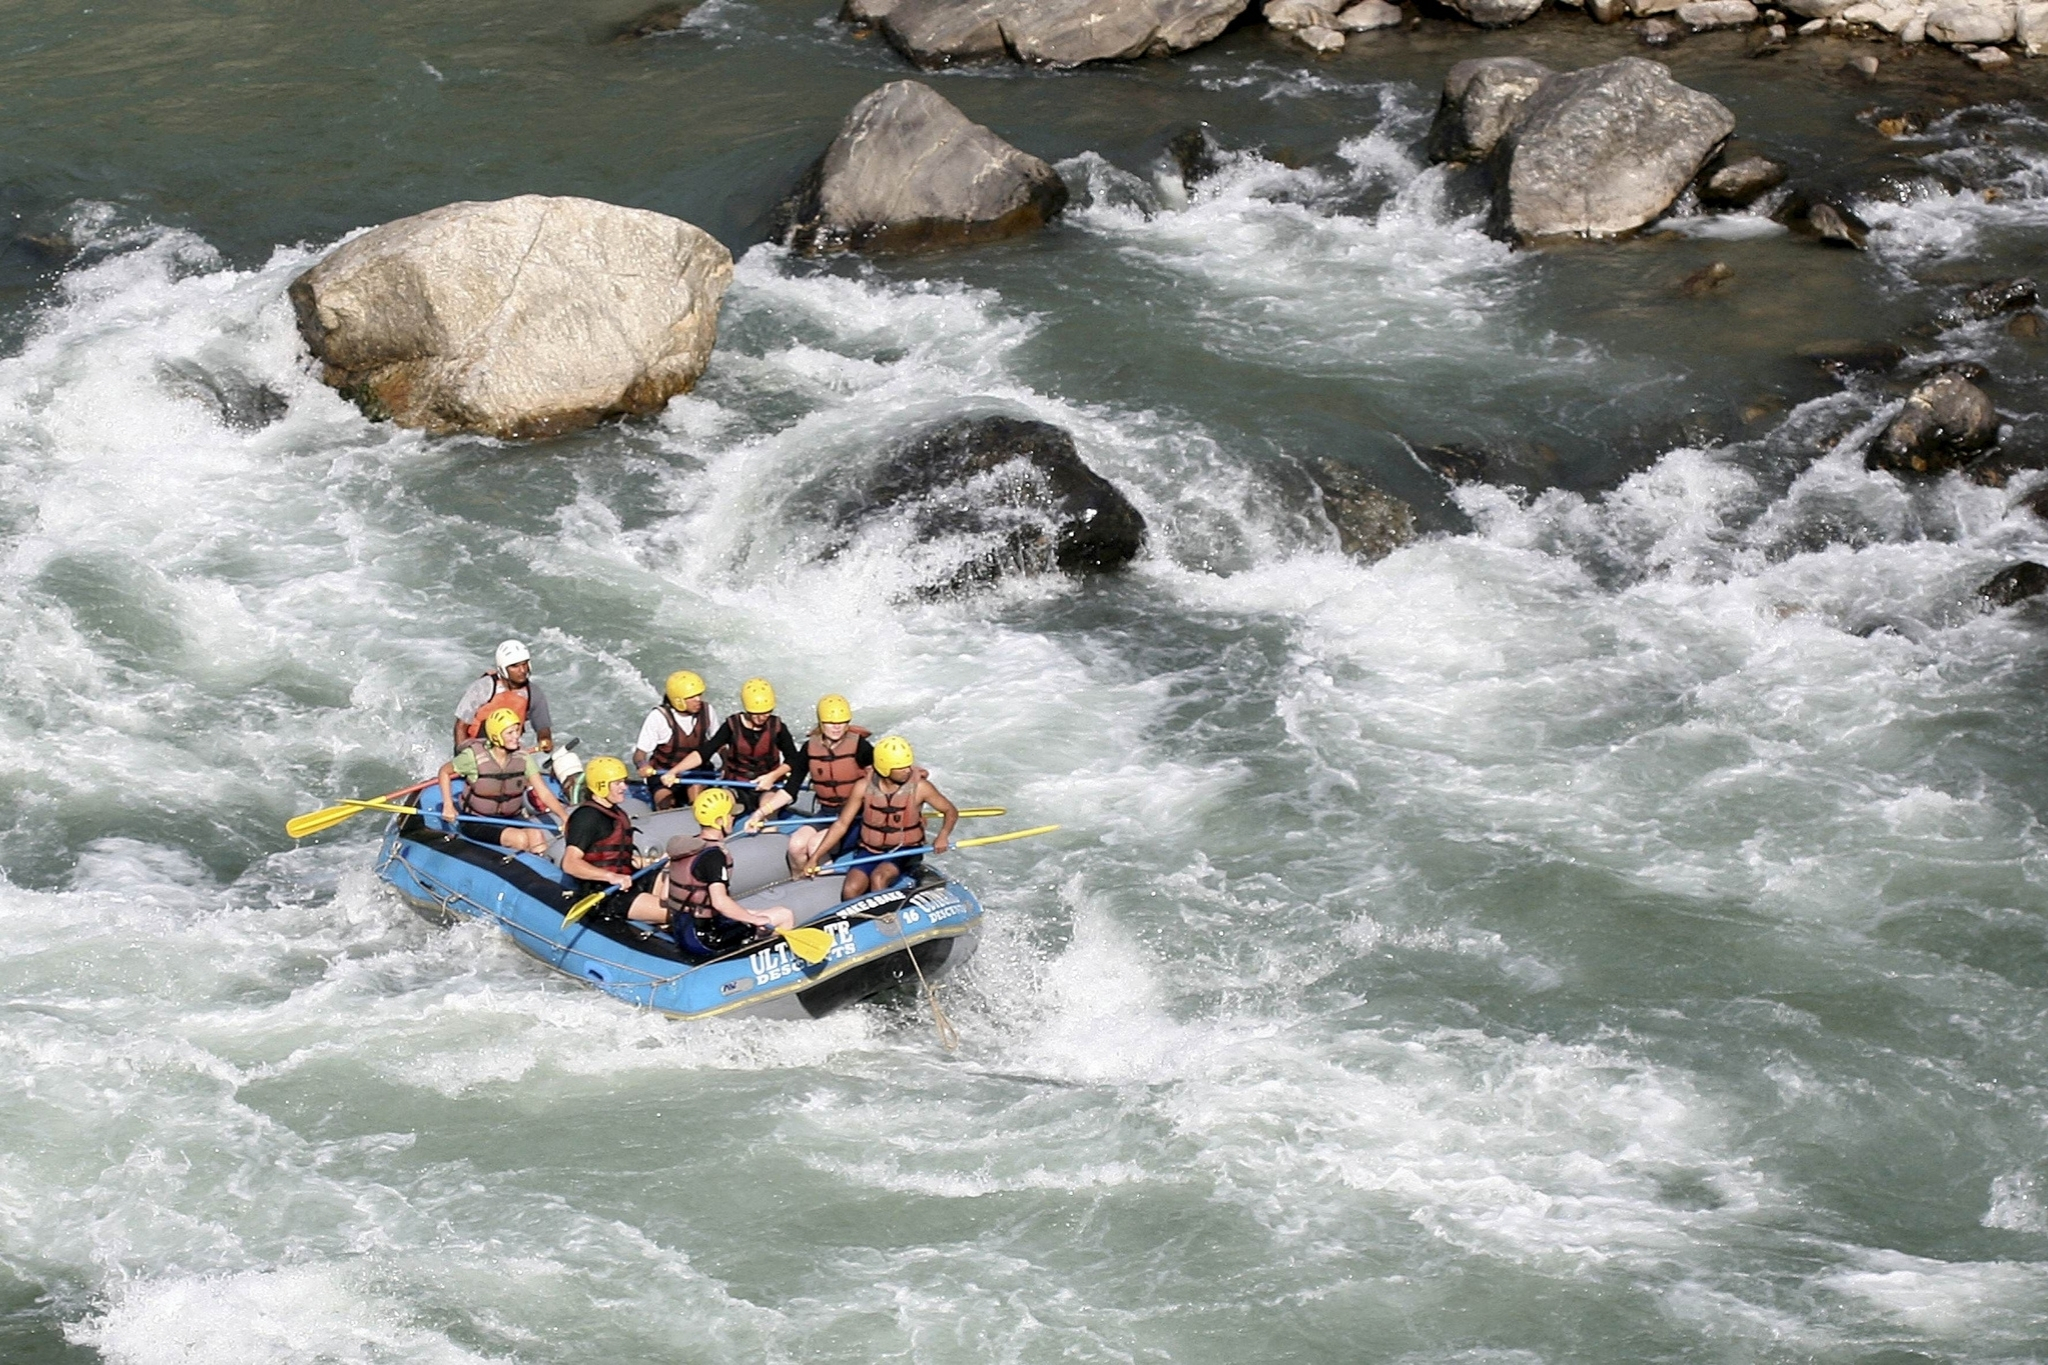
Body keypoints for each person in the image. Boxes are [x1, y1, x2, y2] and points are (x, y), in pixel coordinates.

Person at [803, 736, 957, 900]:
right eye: (901, 768)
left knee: (878, 878)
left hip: (904, 849)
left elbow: (951, 811)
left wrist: (943, 835)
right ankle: (858, 922)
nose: (908, 770)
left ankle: (886, 921)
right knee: (850, 889)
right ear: (884, 769)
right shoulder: (862, 786)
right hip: (870, 849)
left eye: (908, 766)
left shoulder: (921, 788)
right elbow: (842, 824)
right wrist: (815, 857)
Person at [654, 789, 797, 961]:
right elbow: (720, 903)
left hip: (683, 930)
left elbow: (664, 894)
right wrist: (754, 919)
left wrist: (747, 914)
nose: (733, 818)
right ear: (719, 820)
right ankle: (761, 965)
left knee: (755, 913)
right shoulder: (714, 856)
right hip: (706, 939)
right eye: (730, 815)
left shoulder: (687, 846)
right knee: (783, 915)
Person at [436, 707, 570, 854]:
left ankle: (543, 872)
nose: (516, 737)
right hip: (477, 821)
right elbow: (444, 772)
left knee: (537, 836)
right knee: (520, 839)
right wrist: (448, 806)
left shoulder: (523, 757)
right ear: (495, 736)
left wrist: (565, 818)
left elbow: (543, 792)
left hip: (511, 818)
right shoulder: (473, 757)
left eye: (517, 731)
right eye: (510, 733)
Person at [559, 755, 662, 925]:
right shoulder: (587, 818)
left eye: (624, 781)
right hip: (604, 892)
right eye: (617, 783)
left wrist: (649, 862)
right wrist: (610, 877)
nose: (624, 787)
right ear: (601, 786)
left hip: (628, 880)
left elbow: (614, 856)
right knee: (673, 912)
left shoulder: (616, 812)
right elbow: (570, 863)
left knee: (678, 892)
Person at [786, 693, 872, 875]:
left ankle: (822, 881)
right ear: (821, 723)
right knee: (796, 845)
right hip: (826, 813)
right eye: (831, 723)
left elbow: (883, 777)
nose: (836, 727)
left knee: (816, 845)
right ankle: (798, 884)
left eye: (841, 722)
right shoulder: (809, 748)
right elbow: (791, 787)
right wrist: (762, 812)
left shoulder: (861, 747)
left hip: (854, 818)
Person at [699, 678, 803, 825]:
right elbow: (705, 752)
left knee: (768, 810)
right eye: (756, 713)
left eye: (767, 713)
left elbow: (793, 759)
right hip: (736, 785)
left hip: (768, 787)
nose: (762, 718)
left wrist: (772, 776)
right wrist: (674, 771)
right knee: (719, 806)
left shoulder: (778, 727)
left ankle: (768, 837)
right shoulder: (731, 725)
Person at [631, 670, 718, 811]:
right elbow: (640, 753)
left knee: (698, 800)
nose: (698, 700)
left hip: (695, 772)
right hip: (663, 774)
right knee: (665, 805)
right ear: (678, 700)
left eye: (699, 695)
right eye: (692, 697)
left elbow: (718, 744)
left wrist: (727, 763)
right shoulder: (659, 717)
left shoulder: (707, 711)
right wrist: (642, 765)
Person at [453, 640, 554, 753]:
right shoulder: (484, 687)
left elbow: (543, 728)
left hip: (509, 752)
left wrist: (545, 740)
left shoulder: (533, 693)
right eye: (514, 666)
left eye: (524, 664)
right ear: (503, 669)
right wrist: (463, 757)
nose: (522, 670)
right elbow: (461, 727)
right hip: (475, 749)